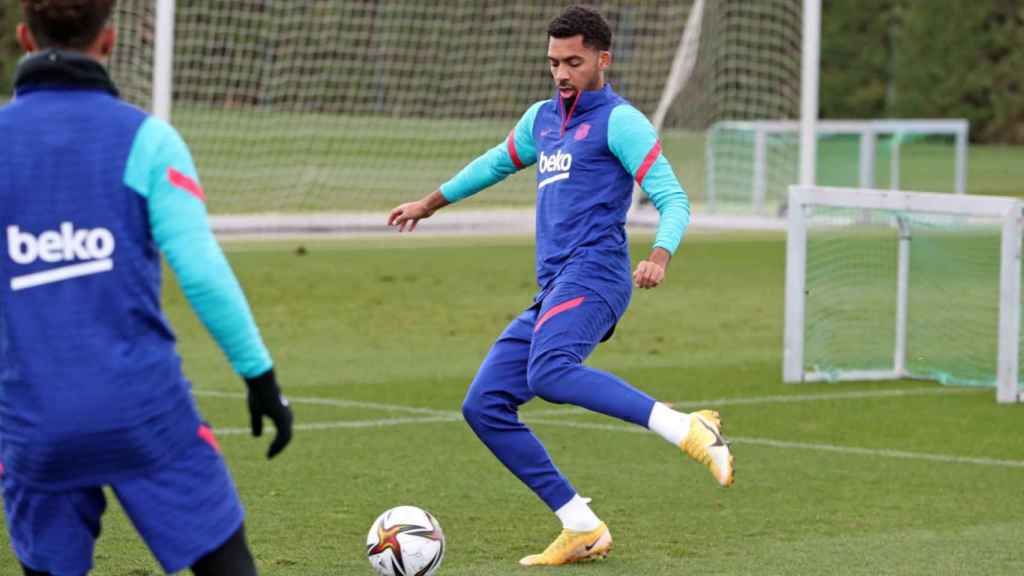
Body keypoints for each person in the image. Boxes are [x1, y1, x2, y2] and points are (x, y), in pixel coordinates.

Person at [388, 5, 734, 567]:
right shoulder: (542, 119)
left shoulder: (621, 121)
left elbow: (674, 199)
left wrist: (661, 255)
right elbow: (495, 163)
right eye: (554, 62)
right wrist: (429, 204)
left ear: (603, 59)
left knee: (549, 371)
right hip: (554, 286)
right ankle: (581, 524)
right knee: (485, 405)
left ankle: (687, 427)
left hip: (597, 273)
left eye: (574, 62)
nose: (562, 74)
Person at [0, 1, 293, 574]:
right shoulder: (150, 140)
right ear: (108, 41)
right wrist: (259, 377)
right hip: (142, 411)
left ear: (23, 38)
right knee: (227, 564)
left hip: (33, 420)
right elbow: (202, 271)